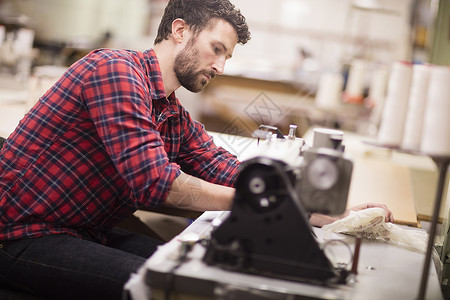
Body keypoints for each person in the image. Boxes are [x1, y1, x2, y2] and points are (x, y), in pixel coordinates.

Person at [0, 0, 393, 299]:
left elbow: (225, 168)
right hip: (23, 235)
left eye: (228, 56)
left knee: (200, 270)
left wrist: (333, 213)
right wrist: (258, 202)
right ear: (180, 30)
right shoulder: (114, 70)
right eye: (217, 49)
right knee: (174, 288)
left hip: (86, 232)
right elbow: (156, 183)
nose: (221, 66)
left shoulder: (170, 112)